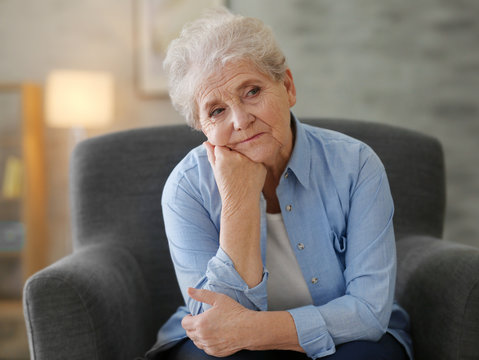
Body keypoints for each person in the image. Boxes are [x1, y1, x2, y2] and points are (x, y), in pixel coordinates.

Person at [146, 8, 413, 360]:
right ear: (203, 128)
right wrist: (238, 200)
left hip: (348, 337)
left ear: (287, 86)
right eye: (216, 111)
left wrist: (253, 330)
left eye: (252, 91)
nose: (240, 120)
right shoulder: (186, 188)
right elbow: (214, 324)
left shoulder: (356, 165)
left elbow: (367, 312)